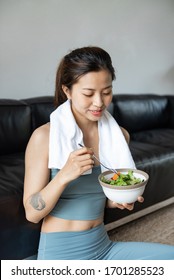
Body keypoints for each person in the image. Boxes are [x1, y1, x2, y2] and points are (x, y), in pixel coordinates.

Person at [23, 46, 174, 260]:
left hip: (104, 248)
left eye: (106, 92)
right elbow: (32, 213)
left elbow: (96, 199)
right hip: (62, 255)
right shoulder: (44, 137)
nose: (99, 103)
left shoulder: (118, 137)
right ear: (67, 90)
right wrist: (64, 174)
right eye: (88, 93)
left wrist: (119, 199)